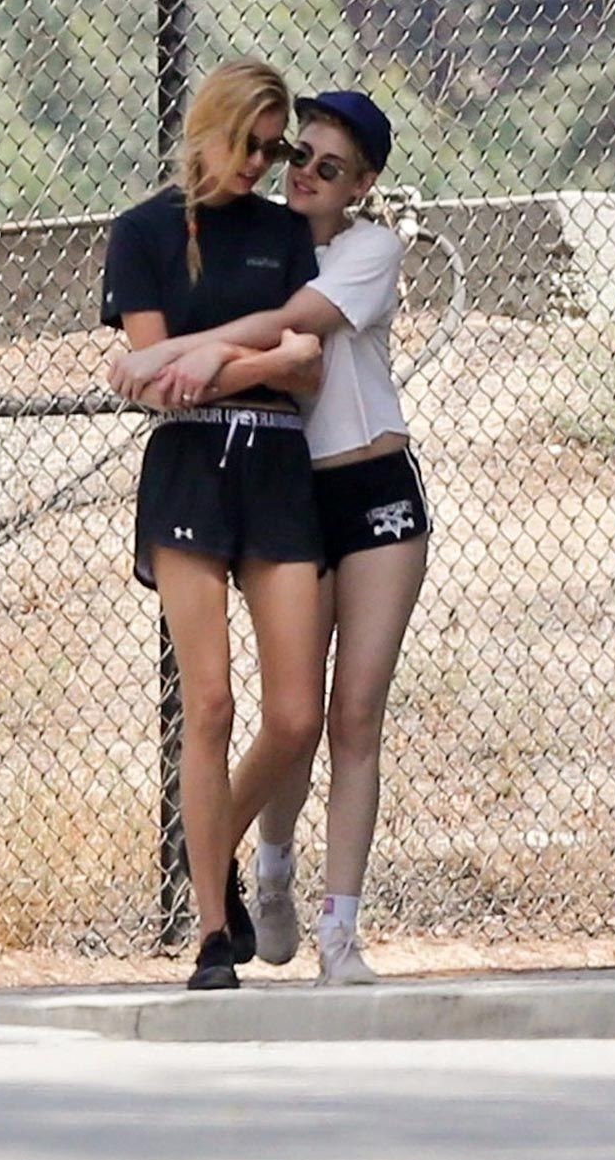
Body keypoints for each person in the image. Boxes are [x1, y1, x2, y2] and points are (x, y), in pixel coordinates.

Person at [109, 91, 430, 985]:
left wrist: (193, 352)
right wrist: (202, 360)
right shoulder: (258, 239)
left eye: (329, 167)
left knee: (347, 712)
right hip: (284, 482)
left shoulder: (362, 251)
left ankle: (336, 932)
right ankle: (266, 866)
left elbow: (298, 345)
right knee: (268, 709)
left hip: (368, 487)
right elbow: (267, 358)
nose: (298, 173)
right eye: (296, 156)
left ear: (362, 185)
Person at [100, 58, 334, 992]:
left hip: (277, 465)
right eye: (249, 143)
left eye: (274, 150)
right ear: (208, 127)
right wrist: (254, 359)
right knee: (210, 704)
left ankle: (215, 849)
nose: (260, 164)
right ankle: (208, 933)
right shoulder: (143, 232)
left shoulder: (285, 234)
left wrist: (207, 361)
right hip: (189, 470)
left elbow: (311, 362)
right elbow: (157, 379)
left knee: (295, 715)